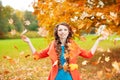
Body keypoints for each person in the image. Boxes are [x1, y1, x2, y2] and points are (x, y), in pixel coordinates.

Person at [21, 22, 107, 80]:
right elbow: (37, 56)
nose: (63, 32)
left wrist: (98, 41)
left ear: (68, 32)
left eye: (65, 30)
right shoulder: (52, 45)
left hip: (70, 76)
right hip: (56, 76)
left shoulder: (73, 45)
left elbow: (89, 55)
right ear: (57, 32)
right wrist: (29, 42)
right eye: (60, 30)